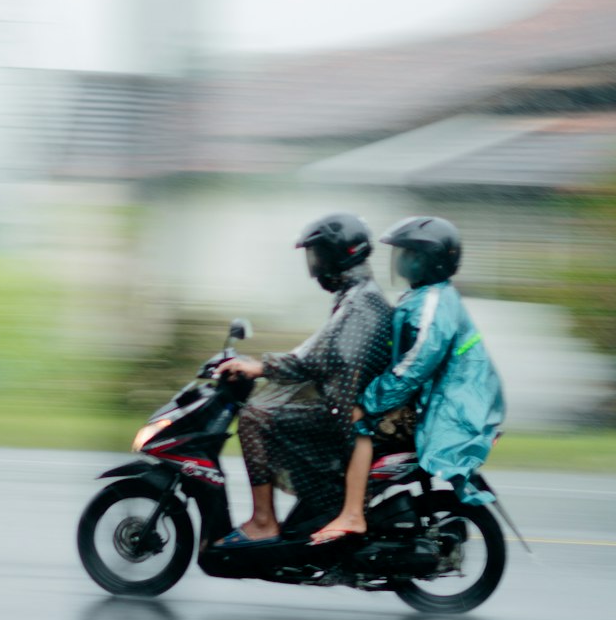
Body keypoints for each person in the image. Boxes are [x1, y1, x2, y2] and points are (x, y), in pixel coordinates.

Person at [311, 214, 506, 545]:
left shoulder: (432, 304)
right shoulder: (427, 296)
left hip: (450, 411)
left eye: (409, 254)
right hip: (445, 401)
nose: (400, 260)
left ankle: (353, 515)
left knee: (358, 425)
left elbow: (413, 367)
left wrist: (366, 403)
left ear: (429, 261)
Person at [214, 212, 393, 544]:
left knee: (254, 418)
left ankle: (264, 522)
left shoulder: (359, 303)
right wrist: (265, 364)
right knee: (275, 410)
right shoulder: (357, 294)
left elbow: (316, 359)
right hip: (346, 410)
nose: (314, 266)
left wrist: (261, 367)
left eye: (318, 255)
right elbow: (317, 351)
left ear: (340, 254)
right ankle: (306, 515)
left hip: (344, 420)